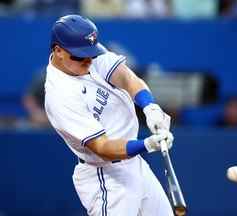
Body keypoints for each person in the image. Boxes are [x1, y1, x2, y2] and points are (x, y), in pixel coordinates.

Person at [44, 15, 175, 216]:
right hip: (106, 176)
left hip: (135, 164)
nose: (88, 61)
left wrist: (150, 107)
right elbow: (103, 148)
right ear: (58, 51)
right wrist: (147, 144)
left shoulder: (85, 51)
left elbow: (127, 78)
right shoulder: (59, 95)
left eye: (91, 54)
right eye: (80, 56)